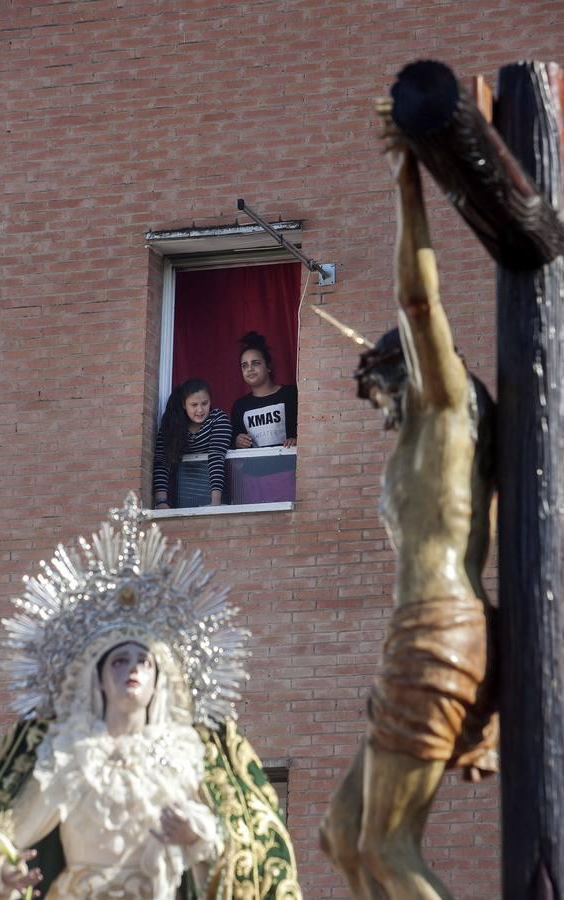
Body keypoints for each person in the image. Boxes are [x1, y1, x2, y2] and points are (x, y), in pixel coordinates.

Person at [320, 106, 498, 900]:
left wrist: (405, 180)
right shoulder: (423, 434)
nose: (380, 415)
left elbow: (419, 303)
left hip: (439, 631)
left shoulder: (442, 401)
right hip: (413, 634)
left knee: (388, 850)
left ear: (403, 376)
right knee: (341, 841)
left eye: (376, 397)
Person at [0, 494, 303, 900]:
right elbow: (4, 835)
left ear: (160, 680)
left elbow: (239, 847)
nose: (133, 670)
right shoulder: (69, 753)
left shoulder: (185, 755)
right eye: (119, 661)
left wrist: (200, 838)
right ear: (98, 679)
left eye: (144, 661)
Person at [153, 379, 231, 509]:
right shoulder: (172, 426)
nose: (200, 410)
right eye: (194, 405)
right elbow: (161, 462)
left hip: (216, 495)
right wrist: (161, 502)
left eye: (204, 403)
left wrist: (215, 503)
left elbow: (216, 457)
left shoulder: (218, 419)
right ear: (184, 404)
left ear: (210, 401)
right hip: (181, 498)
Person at [231, 332, 298, 449]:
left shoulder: (291, 394)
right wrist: (237, 442)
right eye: (244, 365)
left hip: (290, 465)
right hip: (256, 467)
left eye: (256, 363)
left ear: (268, 367)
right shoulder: (239, 406)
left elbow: (309, 428)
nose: (250, 369)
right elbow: (233, 446)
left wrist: (297, 439)